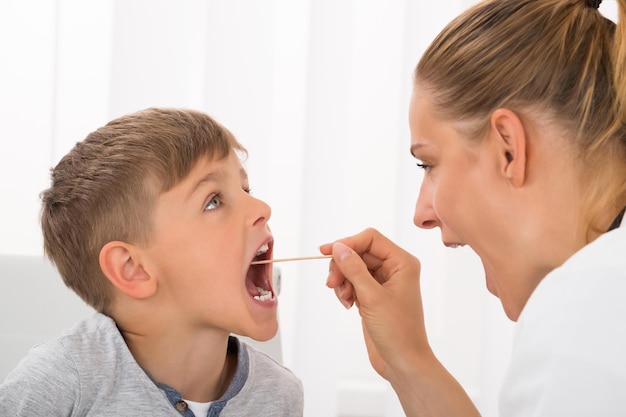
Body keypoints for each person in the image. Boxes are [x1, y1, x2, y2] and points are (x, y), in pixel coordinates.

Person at [321, 0, 626, 415]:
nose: (421, 214)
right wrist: (409, 361)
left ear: (508, 149)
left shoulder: (586, 315)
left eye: (429, 164)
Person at [0, 108, 303, 416]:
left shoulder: (280, 396)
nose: (262, 207)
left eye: (246, 189)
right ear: (132, 268)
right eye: (213, 201)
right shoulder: (58, 383)